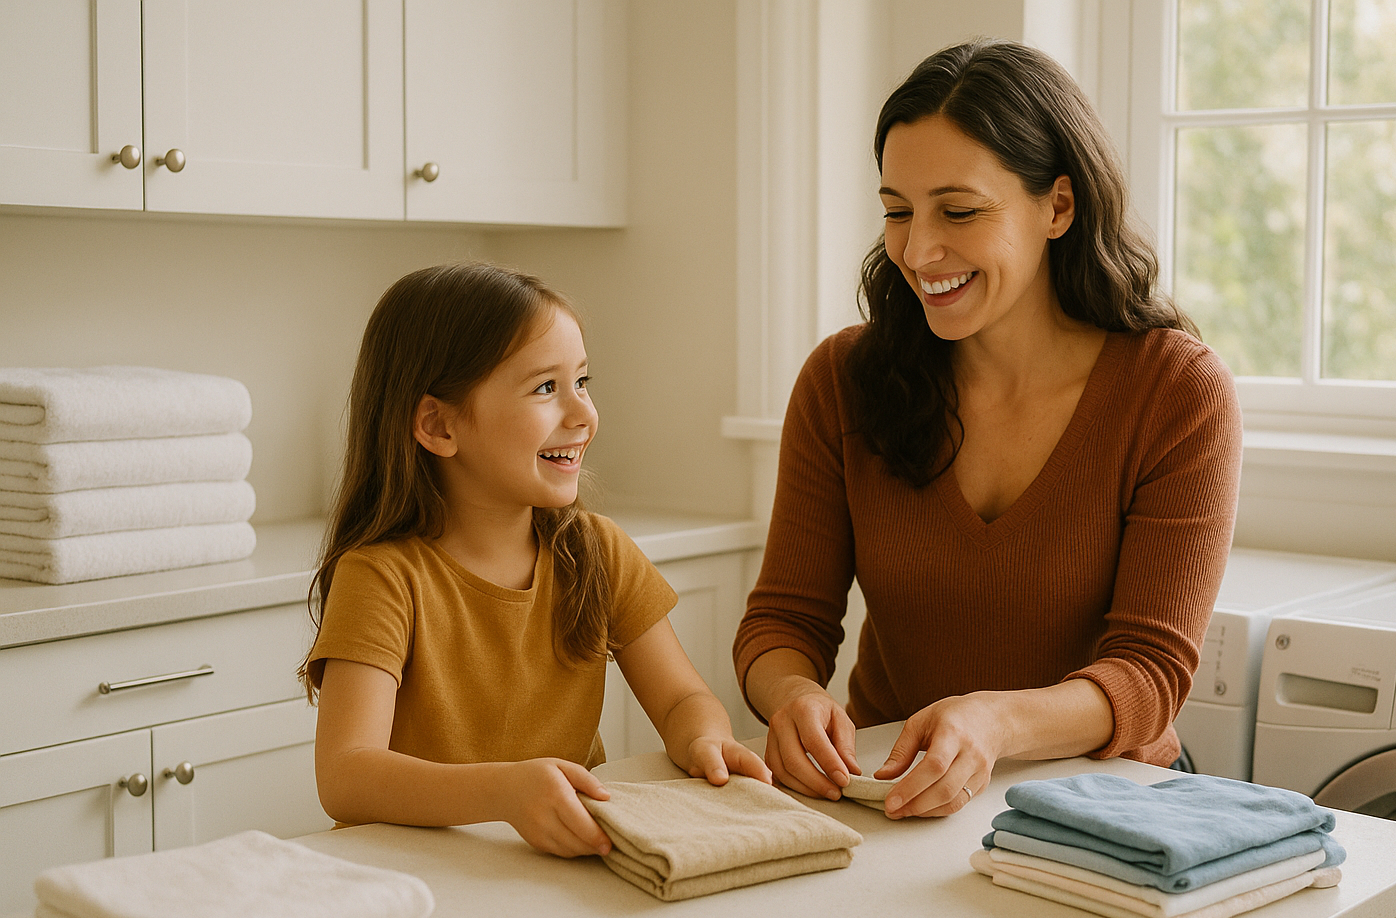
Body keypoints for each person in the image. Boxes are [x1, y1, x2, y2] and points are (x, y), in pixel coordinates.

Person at [733, 40, 1242, 819]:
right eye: (897, 211)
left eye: (959, 211)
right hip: (891, 800)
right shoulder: (843, 381)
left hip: (1102, 813)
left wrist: (996, 722)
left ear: (1058, 207)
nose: (918, 249)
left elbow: (1149, 673)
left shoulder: (1177, 392)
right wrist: (792, 694)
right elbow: (783, 621)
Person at [305, 263, 769, 858]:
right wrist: (504, 791)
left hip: (548, 863)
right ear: (438, 425)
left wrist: (705, 737)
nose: (582, 414)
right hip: (421, 871)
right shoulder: (383, 577)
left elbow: (682, 700)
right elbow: (345, 776)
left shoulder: (598, 553)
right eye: (545, 388)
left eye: (582, 381)